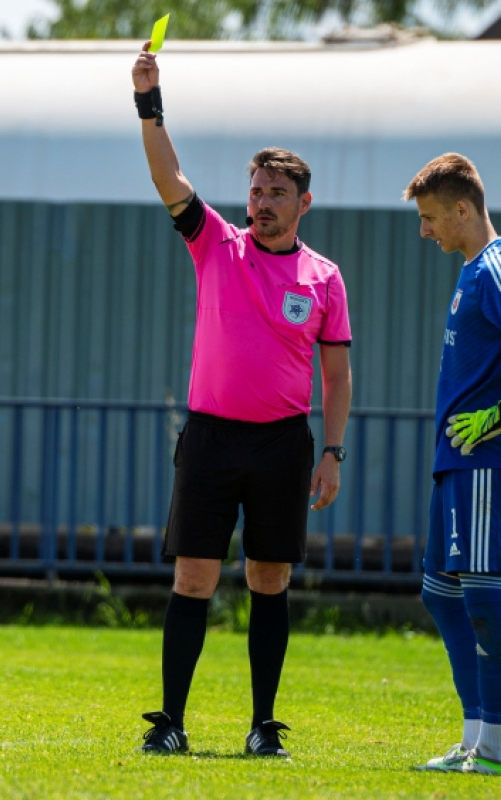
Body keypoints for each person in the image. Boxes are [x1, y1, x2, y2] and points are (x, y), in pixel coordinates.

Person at [131, 42, 352, 757]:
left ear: (302, 203)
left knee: (269, 576)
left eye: (275, 194)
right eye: (255, 192)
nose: (260, 204)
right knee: (192, 575)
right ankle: (170, 723)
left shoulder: (325, 278)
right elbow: (168, 175)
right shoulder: (217, 244)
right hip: (212, 437)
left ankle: (263, 726)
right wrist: (148, 99)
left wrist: (334, 453)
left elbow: (337, 376)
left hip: (284, 444)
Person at [403, 153, 501, 776]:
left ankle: (495, 748)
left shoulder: (495, 267)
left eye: (432, 217)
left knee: (484, 600)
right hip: (457, 460)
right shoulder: (473, 268)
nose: (425, 230)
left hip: (485, 461)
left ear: (463, 209)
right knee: (440, 592)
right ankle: (475, 738)